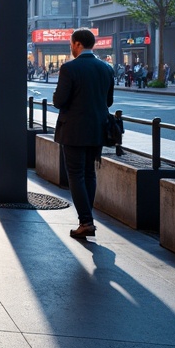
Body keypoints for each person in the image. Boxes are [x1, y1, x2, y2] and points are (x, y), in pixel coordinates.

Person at [52, 28, 114, 239]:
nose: (70, 47)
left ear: (77, 43)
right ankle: (87, 219)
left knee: (76, 175)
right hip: (98, 128)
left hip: (73, 130)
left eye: (71, 43)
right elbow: (108, 101)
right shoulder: (106, 68)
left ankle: (86, 222)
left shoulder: (69, 68)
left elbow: (59, 101)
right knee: (89, 173)